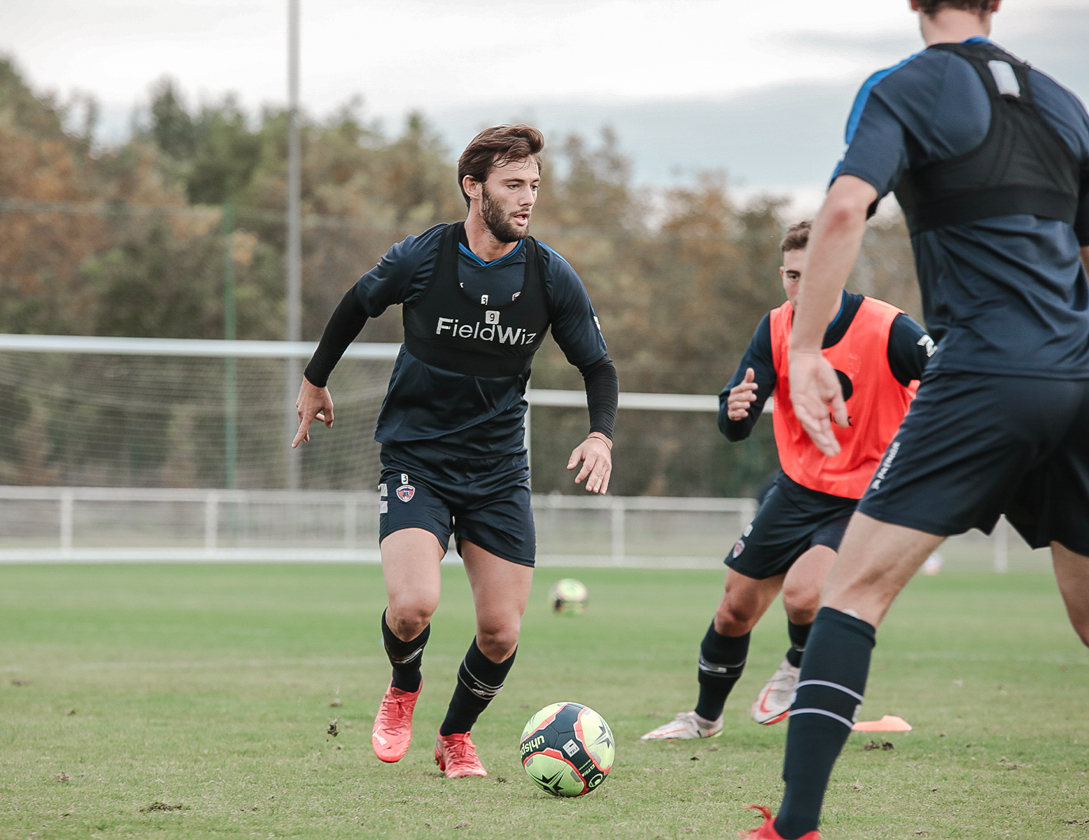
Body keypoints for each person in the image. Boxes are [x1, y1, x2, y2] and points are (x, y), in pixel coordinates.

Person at [742, 2, 1089, 838]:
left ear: (913, 4)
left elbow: (842, 211)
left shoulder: (907, 85)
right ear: (996, 4)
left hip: (983, 374)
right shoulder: (1063, 102)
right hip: (1078, 370)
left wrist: (806, 350)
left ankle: (792, 827)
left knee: (851, 594)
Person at [291, 125, 619, 779]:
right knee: (412, 606)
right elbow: (358, 303)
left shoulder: (549, 274)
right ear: (473, 187)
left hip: (498, 472)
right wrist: (314, 379)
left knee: (501, 632)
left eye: (534, 185)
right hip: (417, 459)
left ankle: (455, 737)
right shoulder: (424, 257)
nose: (527, 198)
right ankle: (403, 686)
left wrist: (600, 434)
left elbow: (598, 367)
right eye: (512, 184)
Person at [641, 221, 932, 743]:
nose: (801, 288)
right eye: (793, 276)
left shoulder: (888, 327)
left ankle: (798, 667)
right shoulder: (775, 327)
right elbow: (735, 423)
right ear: (783, 275)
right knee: (733, 609)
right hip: (797, 489)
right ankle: (704, 720)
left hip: (865, 497)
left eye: (813, 275)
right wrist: (733, 410)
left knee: (803, 596)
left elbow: (953, 379)